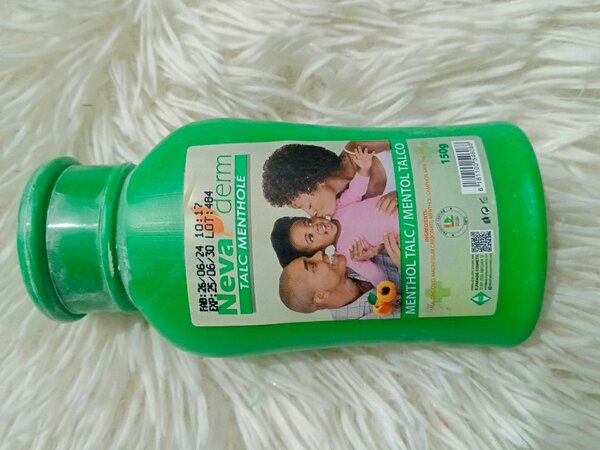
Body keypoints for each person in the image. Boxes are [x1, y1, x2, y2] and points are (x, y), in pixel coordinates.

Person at [270, 146, 399, 287]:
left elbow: (356, 189)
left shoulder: (339, 208)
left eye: (308, 223)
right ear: (319, 251)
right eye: (311, 237)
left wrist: (364, 169)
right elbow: (375, 275)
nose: (315, 227)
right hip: (405, 233)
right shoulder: (348, 255)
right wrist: (387, 290)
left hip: (403, 206)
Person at [279, 233, 401, 320]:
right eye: (312, 265)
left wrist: (381, 247)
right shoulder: (359, 329)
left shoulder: (354, 259)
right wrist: (405, 265)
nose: (319, 254)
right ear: (321, 295)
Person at [262, 141, 398, 217]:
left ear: (312, 179)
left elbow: (407, 136)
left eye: (309, 206)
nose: (312, 215)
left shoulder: (356, 149)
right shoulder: (345, 209)